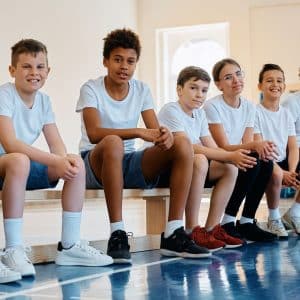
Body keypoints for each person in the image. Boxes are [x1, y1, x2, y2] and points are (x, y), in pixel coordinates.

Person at [76, 28, 210, 262]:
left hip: (127, 162)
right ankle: (117, 233)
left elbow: (155, 131)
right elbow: (94, 133)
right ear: (105, 61)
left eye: (130, 61)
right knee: (113, 143)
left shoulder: (141, 89)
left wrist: (166, 135)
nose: (124, 66)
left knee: (182, 142)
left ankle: (174, 232)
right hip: (94, 163)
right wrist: (138, 131)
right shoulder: (91, 88)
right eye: (117, 60)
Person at [0, 39, 113, 282]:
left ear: (48, 71)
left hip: (22, 167)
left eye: (40, 67)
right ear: (12, 71)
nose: (34, 73)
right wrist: (54, 160)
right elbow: (10, 144)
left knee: (76, 162)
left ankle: (70, 247)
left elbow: (56, 143)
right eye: (26, 67)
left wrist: (64, 160)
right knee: (19, 159)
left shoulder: (44, 101)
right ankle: (13, 249)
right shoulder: (4, 94)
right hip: (7, 164)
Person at [158, 66, 257, 251]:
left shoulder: (200, 114)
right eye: (193, 88)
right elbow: (189, 147)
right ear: (179, 90)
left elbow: (211, 147)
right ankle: (191, 228)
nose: (199, 94)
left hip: (192, 168)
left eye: (204, 90)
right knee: (200, 159)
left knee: (229, 168)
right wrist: (229, 155)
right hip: (167, 170)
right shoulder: (170, 110)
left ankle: (211, 228)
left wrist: (232, 158)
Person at [203, 58, 277, 243]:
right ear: (219, 85)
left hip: (233, 156)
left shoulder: (250, 107)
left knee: (264, 160)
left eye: (238, 74)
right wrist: (254, 146)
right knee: (251, 157)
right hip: (214, 159)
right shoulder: (212, 106)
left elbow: (247, 142)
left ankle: (246, 222)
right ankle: (228, 221)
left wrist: (260, 148)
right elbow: (223, 147)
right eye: (228, 77)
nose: (236, 80)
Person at [261, 69, 300, 236]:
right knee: (274, 171)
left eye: (279, 81)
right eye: (270, 81)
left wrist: (291, 171)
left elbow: (292, 146)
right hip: (269, 156)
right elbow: (277, 140)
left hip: (290, 156)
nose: (275, 84)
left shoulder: (285, 114)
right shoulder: (292, 102)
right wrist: (284, 171)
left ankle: (295, 213)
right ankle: (274, 217)